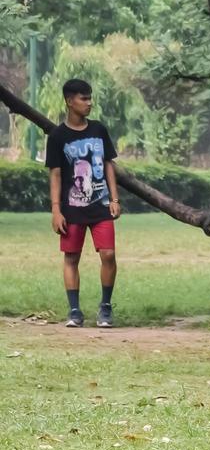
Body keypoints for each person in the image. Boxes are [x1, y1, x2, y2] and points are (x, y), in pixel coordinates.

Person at [45, 78, 120, 328]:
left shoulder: (98, 129)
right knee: (71, 257)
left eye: (89, 98)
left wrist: (114, 198)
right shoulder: (57, 136)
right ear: (69, 101)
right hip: (72, 208)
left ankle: (105, 308)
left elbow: (109, 163)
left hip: (100, 206)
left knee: (108, 254)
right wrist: (56, 210)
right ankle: (75, 311)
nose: (89, 103)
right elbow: (55, 174)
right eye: (83, 98)